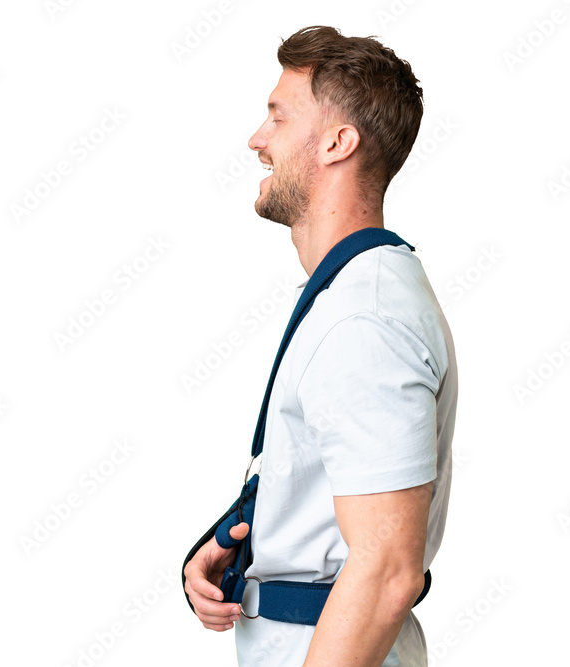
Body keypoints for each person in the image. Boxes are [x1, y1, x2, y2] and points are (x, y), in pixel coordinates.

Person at [183, 25, 458, 666]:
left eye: (278, 117)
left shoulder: (364, 319)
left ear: (338, 143)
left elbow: (387, 571)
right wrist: (249, 540)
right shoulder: (352, 297)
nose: (257, 139)